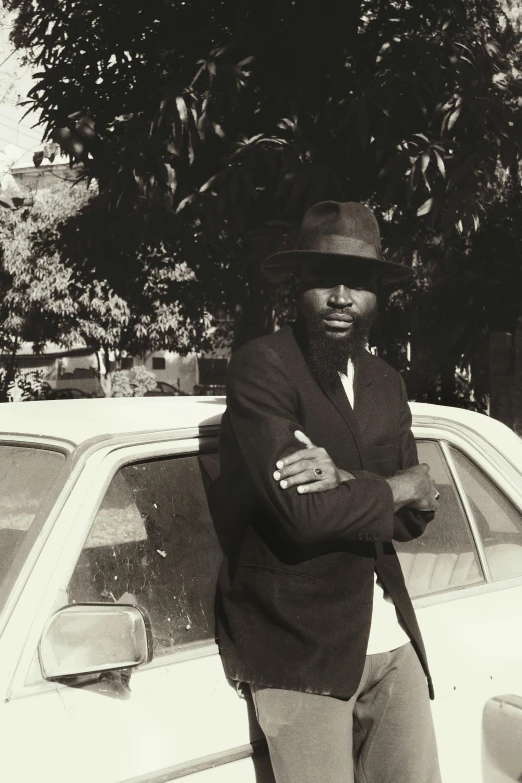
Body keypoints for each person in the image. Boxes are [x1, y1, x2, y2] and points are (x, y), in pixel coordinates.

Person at [215, 201, 442, 783]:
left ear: (377, 296)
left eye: (359, 284)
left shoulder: (385, 382)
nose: (342, 297)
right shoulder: (263, 369)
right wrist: (398, 486)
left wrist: (353, 482)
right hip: (300, 651)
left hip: (391, 642)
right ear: (298, 286)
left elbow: (417, 518)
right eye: (324, 280)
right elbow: (303, 515)